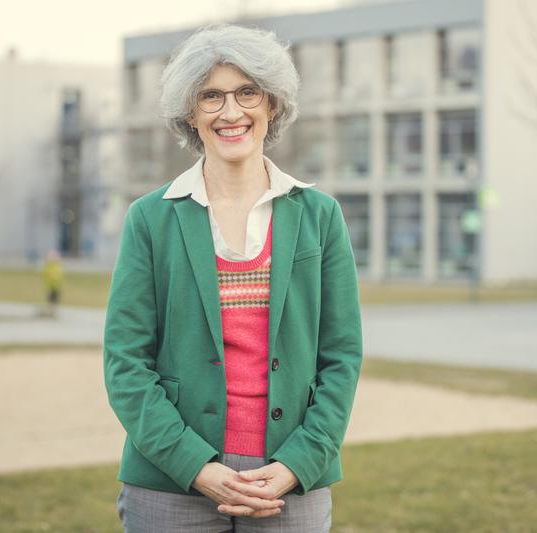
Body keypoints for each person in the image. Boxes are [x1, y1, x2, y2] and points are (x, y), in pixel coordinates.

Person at [103, 24, 363, 532]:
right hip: (171, 479)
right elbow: (125, 362)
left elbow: (342, 356)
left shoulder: (320, 215)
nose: (231, 112)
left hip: (290, 479)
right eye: (211, 96)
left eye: (248, 92)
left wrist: (297, 464)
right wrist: (195, 466)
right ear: (190, 113)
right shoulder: (150, 218)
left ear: (272, 104)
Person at [41, 249, 63, 318]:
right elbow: (52, 276)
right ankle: (50, 312)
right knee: (51, 299)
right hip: (52, 286)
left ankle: (52, 312)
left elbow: (57, 276)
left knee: (54, 299)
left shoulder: (55, 266)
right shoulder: (50, 267)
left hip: (55, 286)